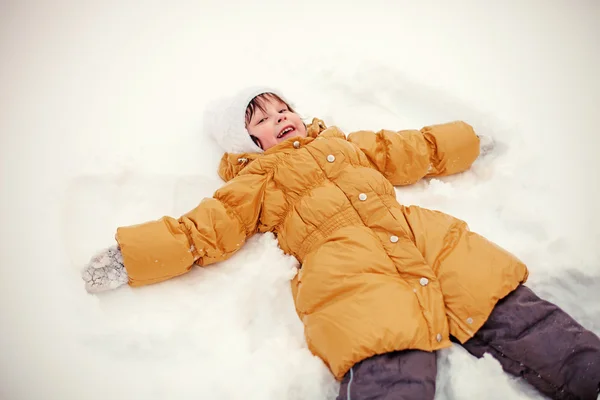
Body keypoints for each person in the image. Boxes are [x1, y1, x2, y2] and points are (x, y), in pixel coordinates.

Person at [81, 86, 600, 400]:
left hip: (428, 241)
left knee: (514, 312)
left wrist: (467, 141)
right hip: (349, 273)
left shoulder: (346, 145)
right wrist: (132, 257)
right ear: (247, 143)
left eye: (282, 109)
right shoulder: (253, 181)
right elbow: (204, 228)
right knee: (383, 356)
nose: (278, 118)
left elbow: (413, 149)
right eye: (260, 119)